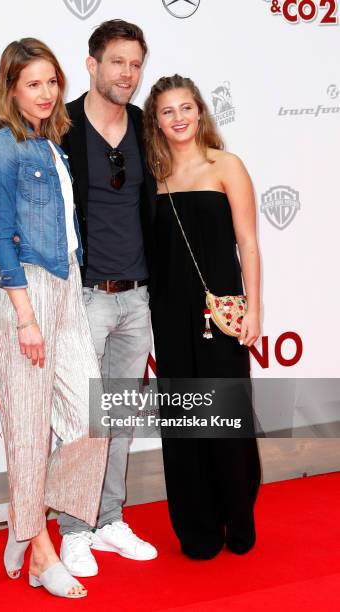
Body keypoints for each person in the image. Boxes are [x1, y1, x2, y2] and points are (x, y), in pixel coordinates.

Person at [0, 38, 108, 598]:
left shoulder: (52, 144)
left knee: (90, 414)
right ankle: (39, 552)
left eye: (52, 82)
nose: (46, 93)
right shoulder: (4, 148)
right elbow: (1, 237)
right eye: (33, 83)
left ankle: (23, 513)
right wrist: (26, 318)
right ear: (11, 89)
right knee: (29, 435)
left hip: (67, 289)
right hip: (23, 297)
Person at [142, 74, 262, 559]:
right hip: (169, 312)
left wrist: (255, 308)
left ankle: (238, 516)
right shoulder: (153, 175)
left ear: (200, 112)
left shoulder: (226, 165)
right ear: (156, 119)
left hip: (223, 310)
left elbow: (248, 243)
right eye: (168, 111)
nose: (179, 119)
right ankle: (197, 529)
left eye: (186, 108)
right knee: (184, 422)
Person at [57, 20, 158, 577]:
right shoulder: (61, 127)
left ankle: (109, 519)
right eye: (118, 61)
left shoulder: (145, 126)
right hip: (85, 298)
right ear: (92, 64)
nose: (128, 73)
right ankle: (74, 528)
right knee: (79, 419)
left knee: (118, 417)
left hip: (136, 299)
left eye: (135, 63)